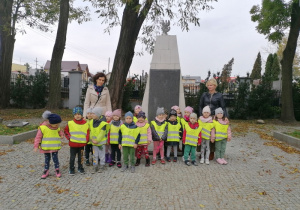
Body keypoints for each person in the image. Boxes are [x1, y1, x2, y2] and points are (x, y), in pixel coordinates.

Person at [198, 78, 228, 160]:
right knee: (204, 134)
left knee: (212, 134)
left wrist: (226, 117)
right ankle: (202, 151)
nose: (209, 87)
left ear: (215, 86)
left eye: (211, 85)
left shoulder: (219, 95)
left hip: (214, 117)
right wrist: (201, 116)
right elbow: (200, 106)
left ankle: (211, 152)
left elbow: (223, 107)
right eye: (208, 85)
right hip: (204, 117)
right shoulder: (204, 95)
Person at [34, 113, 63, 179]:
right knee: (47, 159)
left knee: (55, 159)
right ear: (51, 122)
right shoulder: (42, 128)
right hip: (46, 148)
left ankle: (57, 169)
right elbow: (38, 137)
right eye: (56, 124)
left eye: (58, 124)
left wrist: (61, 135)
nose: (57, 125)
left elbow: (60, 131)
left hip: (55, 147)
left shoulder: (57, 127)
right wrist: (36, 146)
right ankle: (46, 170)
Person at [64, 107, 89, 175]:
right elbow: (66, 131)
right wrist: (69, 137)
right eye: (75, 114)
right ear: (73, 115)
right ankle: (71, 169)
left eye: (79, 114)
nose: (77, 116)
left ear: (81, 115)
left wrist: (86, 140)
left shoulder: (86, 123)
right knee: (72, 157)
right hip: (73, 144)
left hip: (81, 145)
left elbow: (87, 132)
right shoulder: (70, 123)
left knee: (81, 157)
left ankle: (80, 168)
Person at [89, 107, 108, 173]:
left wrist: (97, 140)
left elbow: (102, 133)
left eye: (93, 113)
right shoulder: (91, 122)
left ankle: (102, 165)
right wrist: (91, 139)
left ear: (98, 114)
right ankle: (95, 165)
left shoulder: (103, 123)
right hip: (94, 143)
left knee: (101, 155)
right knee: (95, 155)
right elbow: (91, 131)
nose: (91, 115)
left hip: (100, 143)